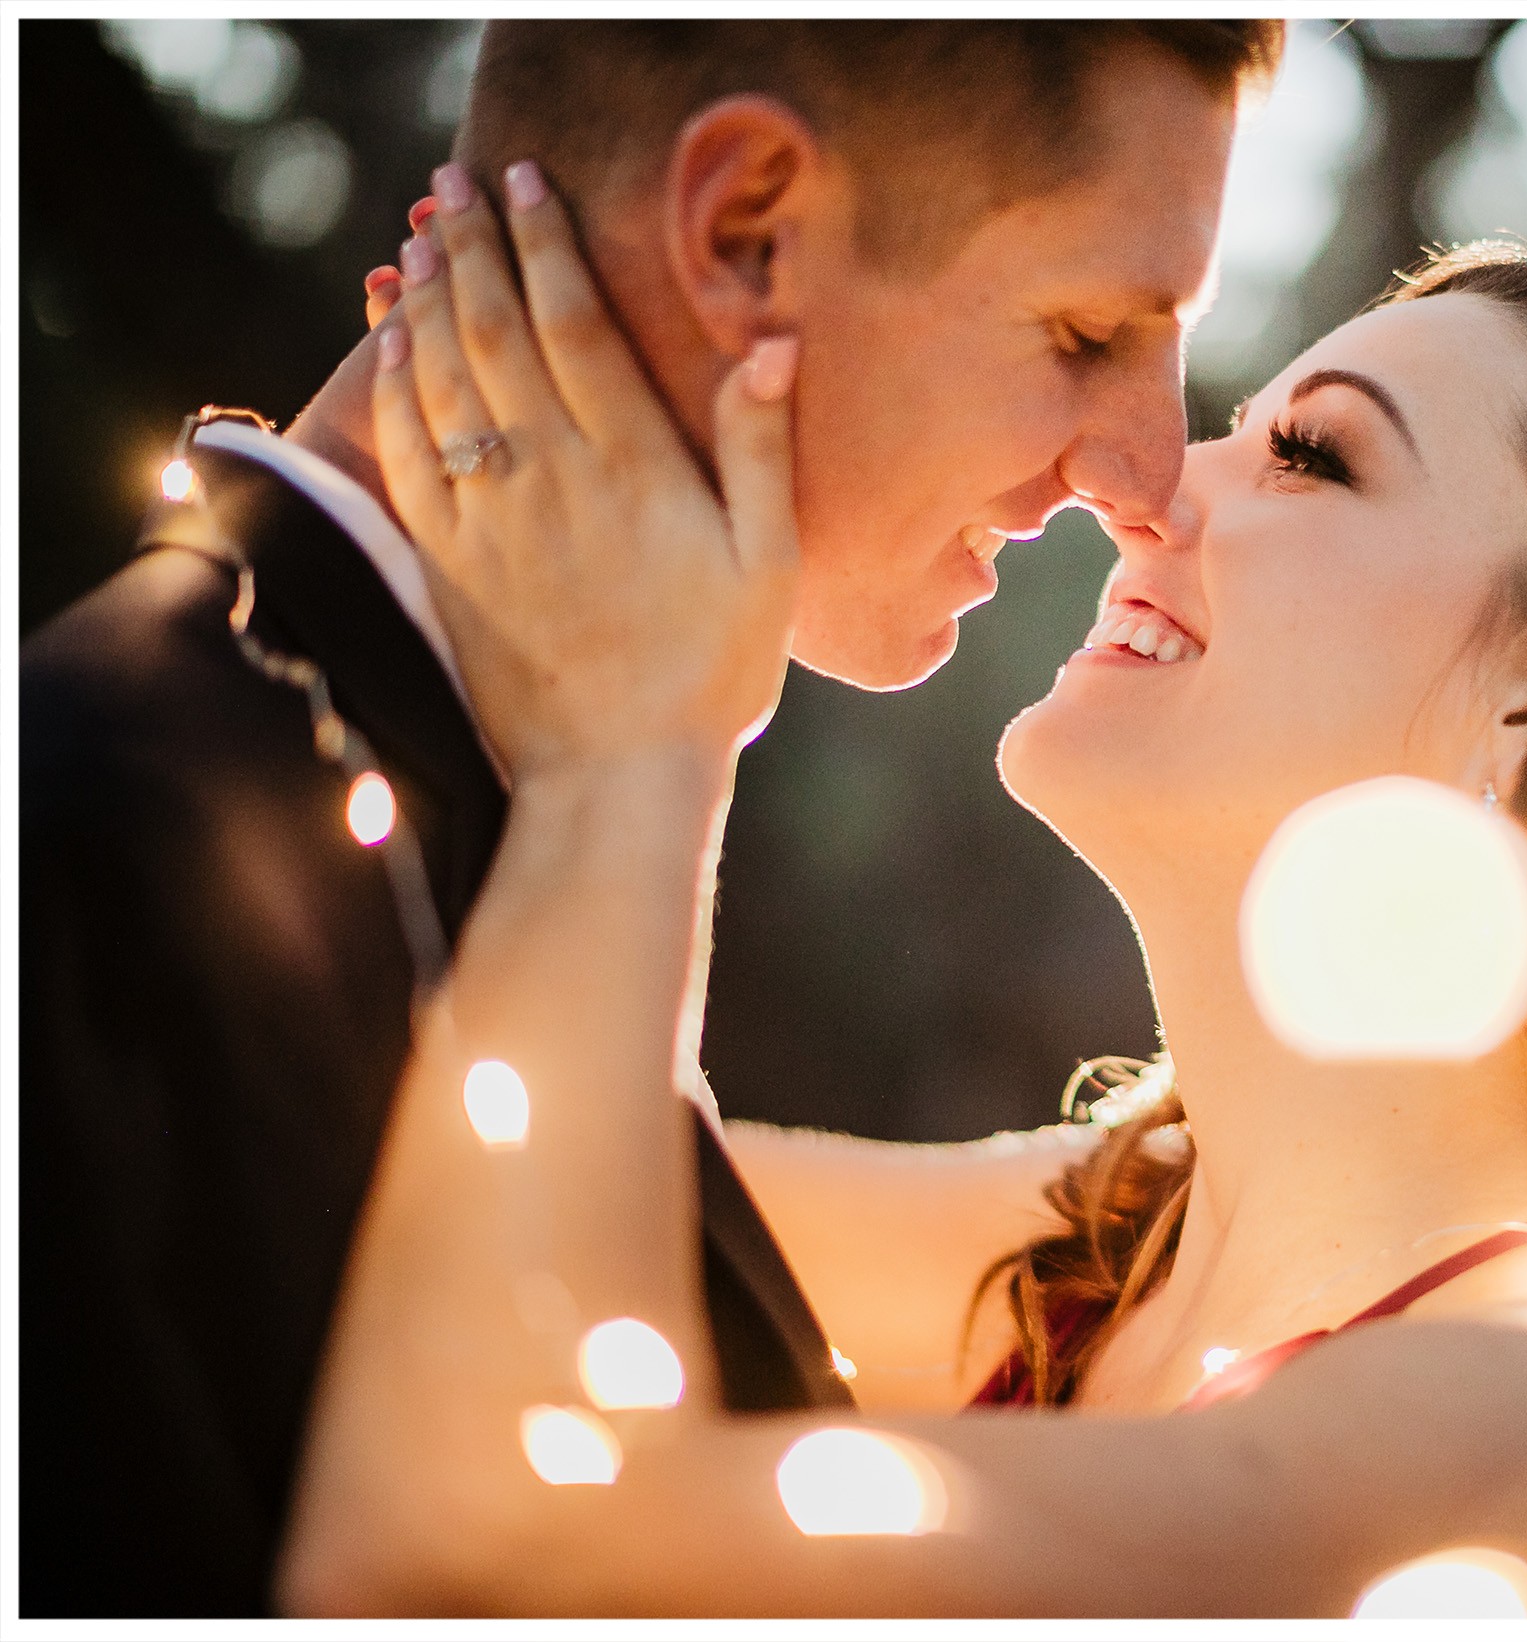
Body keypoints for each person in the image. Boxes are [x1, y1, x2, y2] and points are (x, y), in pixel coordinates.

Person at [277, 151, 1527, 1614]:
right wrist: (407, 466)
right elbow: (404, 1187)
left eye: (1310, 453)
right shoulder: (1091, 1253)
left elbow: (467, 1553)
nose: (1143, 485)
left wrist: (646, 745)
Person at [18, 21, 1274, 1615]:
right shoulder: (102, 860)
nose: (1150, 466)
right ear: (745, 225)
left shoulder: (543, 829)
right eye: (1089, 332)